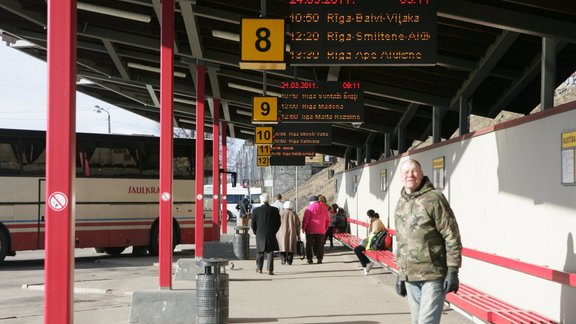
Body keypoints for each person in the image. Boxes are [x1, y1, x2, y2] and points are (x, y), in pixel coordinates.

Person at [394, 159, 462, 324]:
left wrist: (453, 270)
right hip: (410, 276)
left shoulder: (435, 199)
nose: (410, 175)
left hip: (433, 274)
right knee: (417, 321)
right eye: (406, 172)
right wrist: (401, 274)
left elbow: (451, 235)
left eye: (414, 171)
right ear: (401, 177)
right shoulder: (401, 202)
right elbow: (401, 240)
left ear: (421, 173)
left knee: (427, 322)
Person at [251, 192, 281, 275]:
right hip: (271, 232)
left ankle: (259, 268)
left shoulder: (256, 210)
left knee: (260, 251)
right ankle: (270, 270)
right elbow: (278, 223)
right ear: (269, 200)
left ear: (261, 200)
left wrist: (255, 231)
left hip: (260, 233)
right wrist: (274, 230)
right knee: (270, 251)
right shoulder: (275, 210)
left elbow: (253, 224)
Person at [353, 209, 386, 275]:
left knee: (357, 249)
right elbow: (372, 235)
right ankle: (366, 265)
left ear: (369, 216)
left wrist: (365, 241)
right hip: (373, 241)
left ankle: (367, 265)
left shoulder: (377, 222)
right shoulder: (374, 221)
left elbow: (373, 236)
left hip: (375, 243)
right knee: (357, 249)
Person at [302, 195, 330, 264]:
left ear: (311, 201)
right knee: (320, 245)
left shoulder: (309, 208)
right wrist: (325, 228)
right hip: (321, 230)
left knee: (309, 245)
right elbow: (328, 220)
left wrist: (303, 227)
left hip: (310, 230)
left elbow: (306, 220)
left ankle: (309, 259)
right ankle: (319, 259)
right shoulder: (324, 208)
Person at [276, 200, 301, 265]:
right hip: (292, 232)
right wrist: (298, 235)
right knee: (291, 246)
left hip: (281, 232)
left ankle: (283, 259)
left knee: (282, 246)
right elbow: (298, 225)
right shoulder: (294, 214)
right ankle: (289, 261)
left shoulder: (281, 213)